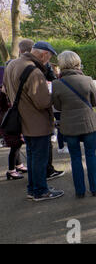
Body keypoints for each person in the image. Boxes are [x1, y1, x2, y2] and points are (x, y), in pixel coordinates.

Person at [3, 41, 64, 201]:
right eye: (49, 58)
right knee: (39, 158)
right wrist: (53, 95)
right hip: (37, 122)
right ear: (44, 55)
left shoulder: (12, 64)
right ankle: (40, 191)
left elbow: (5, 89)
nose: (48, 62)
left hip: (22, 119)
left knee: (31, 156)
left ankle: (33, 188)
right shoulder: (34, 71)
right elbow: (43, 102)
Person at [52, 51, 96, 198]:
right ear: (77, 62)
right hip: (88, 123)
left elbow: (58, 106)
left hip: (68, 125)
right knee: (90, 155)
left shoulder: (57, 83)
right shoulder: (87, 80)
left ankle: (79, 191)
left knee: (75, 158)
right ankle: (95, 187)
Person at [0, 85, 26, 180]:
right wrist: (3, 92)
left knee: (17, 144)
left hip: (11, 122)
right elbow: (4, 105)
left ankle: (19, 165)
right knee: (15, 146)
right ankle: (11, 171)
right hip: (8, 124)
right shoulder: (3, 96)